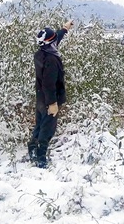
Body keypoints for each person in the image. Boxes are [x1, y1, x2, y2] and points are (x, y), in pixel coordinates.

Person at [28, 20, 73, 168]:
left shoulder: (41, 53)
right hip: (49, 99)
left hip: (41, 97)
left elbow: (55, 40)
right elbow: (49, 83)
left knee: (39, 125)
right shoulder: (52, 60)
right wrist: (53, 103)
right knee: (47, 129)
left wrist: (64, 29)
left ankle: (32, 152)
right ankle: (41, 160)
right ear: (50, 43)